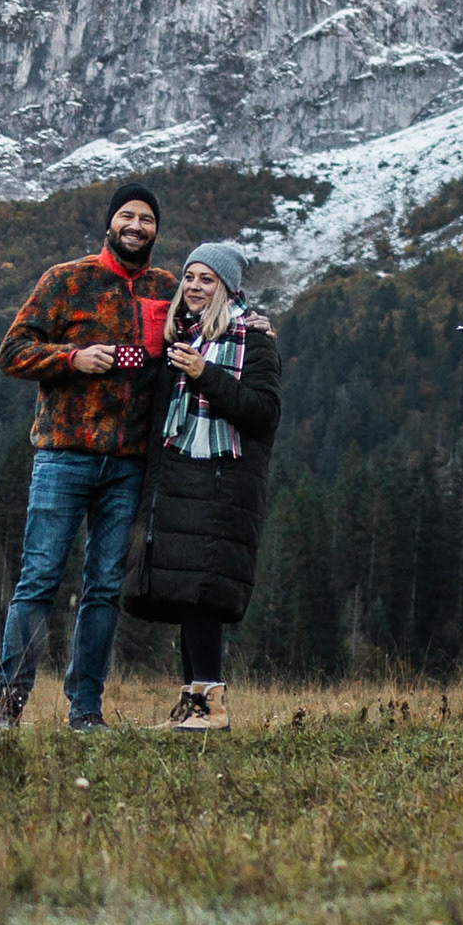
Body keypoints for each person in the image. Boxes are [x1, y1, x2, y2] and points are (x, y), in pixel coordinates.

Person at [0, 183, 179, 730]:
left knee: (103, 590)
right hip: (64, 456)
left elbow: (212, 326)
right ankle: (7, 706)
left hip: (129, 464)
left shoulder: (166, 288)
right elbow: (11, 352)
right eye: (127, 215)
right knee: (39, 580)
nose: (136, 225)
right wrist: (73, 358)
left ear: (155, 229)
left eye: (147, 218)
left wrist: (254, 327)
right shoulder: (65, 280)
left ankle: (86, 711)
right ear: (110, 222)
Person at [124, 240, 281, 731]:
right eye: (189, 277)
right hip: (178, 480)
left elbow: (263, 412)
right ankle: (194, 704)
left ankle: (212, 706)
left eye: (206, 279)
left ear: (226, 288)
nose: (193, 287)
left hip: (220, 484)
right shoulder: (180, 336)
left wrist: (205, 374)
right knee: (185, 593)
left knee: (202, 593)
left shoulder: (253, 341)